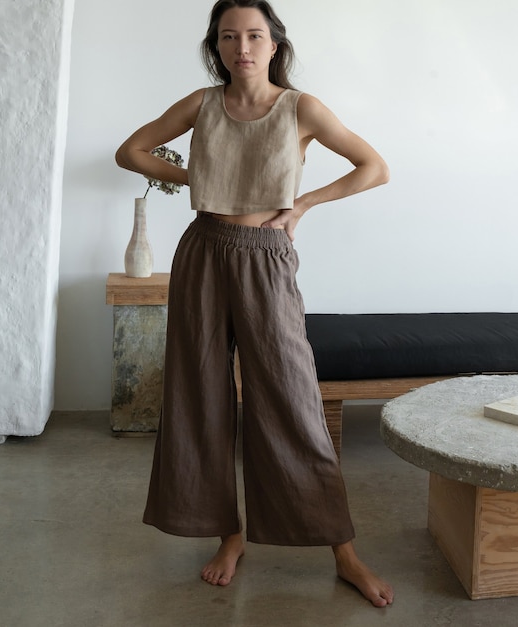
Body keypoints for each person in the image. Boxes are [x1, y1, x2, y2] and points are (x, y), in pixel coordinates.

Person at [115, 0, 393, 608]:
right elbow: (130, 151)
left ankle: (344, 552)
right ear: (216, 46)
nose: (241, 47)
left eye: (254, 35)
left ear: (274, 44)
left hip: (266, 257)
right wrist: (198, 178)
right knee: (200, 394)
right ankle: (230, 536)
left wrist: (305, 204)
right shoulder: (201, 104)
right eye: (228, 36)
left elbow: (374, 167)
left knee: (292, 399)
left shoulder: (301, 108)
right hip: (204, 251)